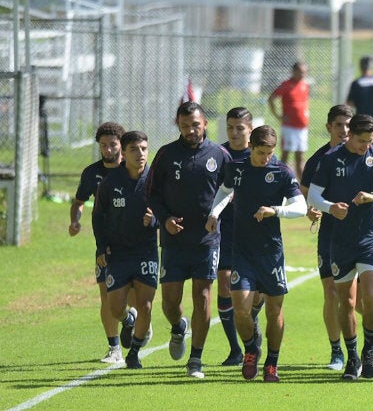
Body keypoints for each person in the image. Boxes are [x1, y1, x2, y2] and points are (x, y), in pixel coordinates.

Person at [307, 114, 373, 381]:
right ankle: (352, 357)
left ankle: (368, 352)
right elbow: (313, 194)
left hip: (370, 239)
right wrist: (330, 208)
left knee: (369, 298)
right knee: (347, 301)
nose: (366, 146)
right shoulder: (330, 159)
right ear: (349, 135)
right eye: (362, 141)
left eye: (371, 141)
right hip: (340, 241)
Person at [206, 125, 307, 382]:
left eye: (270, 153)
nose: (266, 158)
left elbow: (301, 207)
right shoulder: (237, 169)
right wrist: (214, 213)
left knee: (274, 310)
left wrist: (276, 210)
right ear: (251, 147)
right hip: (242, 252)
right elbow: (225, 190)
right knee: (240, 307)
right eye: (261, 152)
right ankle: (252, 347)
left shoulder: (282, 172)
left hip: (271, 254)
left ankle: (272, 362)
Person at [145, 101, 232, 379]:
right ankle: (178, 326)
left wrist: (216, 214)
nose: (191, 131)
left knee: (203, 297)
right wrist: (165, 219)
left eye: (195, 125)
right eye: (185, 126)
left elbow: (231, 191)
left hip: (207, 239)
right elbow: (152, 193)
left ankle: (196, 359)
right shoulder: (166, 154)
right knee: (170, 302)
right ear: (178, 126)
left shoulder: (219, 154)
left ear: (205, 122)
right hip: (174, 239)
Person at [68, 121, 147, 364]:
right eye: (103, 145)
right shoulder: (92, 173)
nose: (108, 150)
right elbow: (79, 202)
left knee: (134, 298)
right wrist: (75, 222)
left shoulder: (134, 169)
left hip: (135, 245)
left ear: (122, 146)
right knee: (107, 297)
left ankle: (138, 329)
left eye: (113, 144)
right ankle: (114, 348)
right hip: (106, 245)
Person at [92, 131, 158, 369]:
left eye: (143, 148)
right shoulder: (110, 182)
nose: (140, 154)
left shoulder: (156, 179)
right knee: (116, 307)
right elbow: (98, 216)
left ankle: (134, 353)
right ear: (124, 153)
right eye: (134, 149)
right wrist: (101, 246)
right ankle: (128, 321)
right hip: (118, 253)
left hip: (146, 251)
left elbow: (167, 211)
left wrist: (154, 221)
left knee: (146, 305)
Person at [300, 104, 354, 371]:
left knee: (358, 299)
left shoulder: (364, 153)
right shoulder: (318, 159)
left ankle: (364, 343)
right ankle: (336, 352)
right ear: (329, 127)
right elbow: (304, 189)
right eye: (340, 125)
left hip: (361, 235)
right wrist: (311, 209)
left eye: (349, 124)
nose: (345, 130)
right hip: (330, 234)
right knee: (331, 292)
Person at [217, 107, 255, 367]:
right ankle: (235, 350)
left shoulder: (259, 155)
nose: (234, 132)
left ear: (250, 129)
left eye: (239, 128)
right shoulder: (218, 154)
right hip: (224, 229)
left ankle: (252, 338)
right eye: (230, 127)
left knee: (256, 294)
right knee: (224, 285)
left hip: (254, 230)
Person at [267, 61, 310, 179]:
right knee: (286, 154)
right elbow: (271, 98)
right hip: (289, 127)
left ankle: (302, 185)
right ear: (294, 71)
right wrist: (278, 116)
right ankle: (280, 180)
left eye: (305, 72)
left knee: (300, 156)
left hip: (302, 127)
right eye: (300, 72)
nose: (303, 74)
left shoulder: (305, 85)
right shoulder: (286, 85)